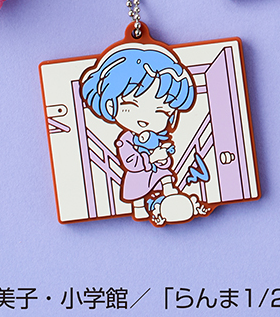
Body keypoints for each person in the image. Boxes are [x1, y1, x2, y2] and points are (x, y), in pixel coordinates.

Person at [79, 43, 211, 224]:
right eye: (131, 105)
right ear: (110, 105)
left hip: (157, 172)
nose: (145, 119)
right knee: (137, 194)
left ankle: (171, 194)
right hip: (138, 177)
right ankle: (141, 208)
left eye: (160, 112)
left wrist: (164, 155)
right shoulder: (125, 141)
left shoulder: (158, 136)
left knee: (165, 175)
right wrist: (151, 158)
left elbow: (165, 159)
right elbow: (131, 162)